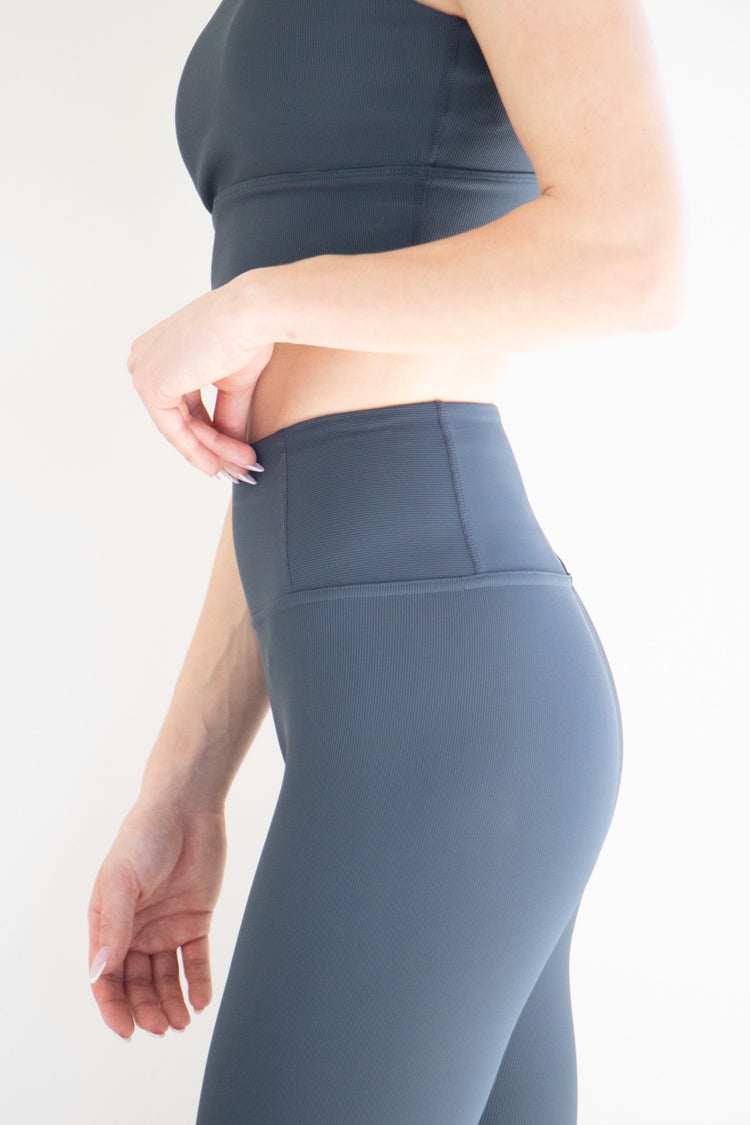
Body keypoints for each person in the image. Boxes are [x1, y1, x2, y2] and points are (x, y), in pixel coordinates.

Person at [87, 0, 686, 1121]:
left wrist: (261, 301)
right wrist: (182, 788)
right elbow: (271, 460)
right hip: (395, 684)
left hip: (448, 684)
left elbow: (634, 254)